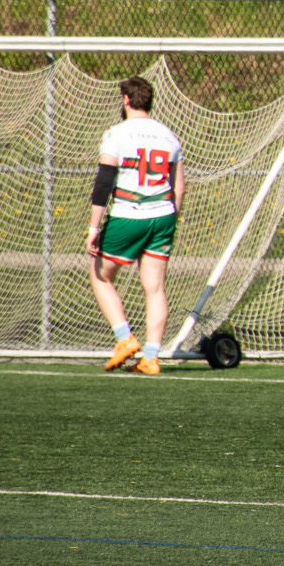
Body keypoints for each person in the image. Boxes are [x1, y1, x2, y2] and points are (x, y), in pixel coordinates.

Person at [89, 77, 185, 376]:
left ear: (126, 100)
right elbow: (178, 187)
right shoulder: (169, 136)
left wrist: (94, 227)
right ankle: (151, 358)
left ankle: (125, 339)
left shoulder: (116, 133)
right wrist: (170, 218)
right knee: (154, 288)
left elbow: (105, 181)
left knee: (100, 275)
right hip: (163, 214)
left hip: (129, 213)